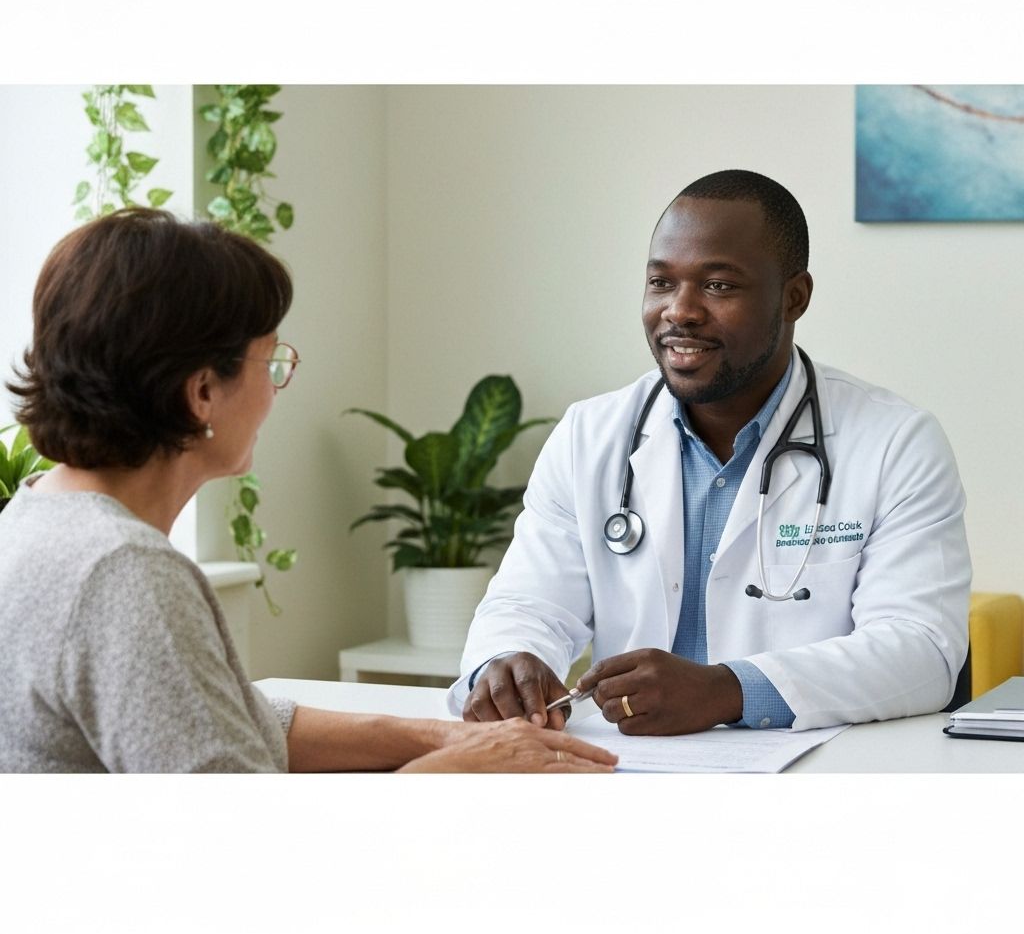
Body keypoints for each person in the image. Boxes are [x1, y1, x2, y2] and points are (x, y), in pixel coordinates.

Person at [0, 208, 616, 774]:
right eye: (270, 363)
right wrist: (460, 772)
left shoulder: (36, 518)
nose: (276, 390)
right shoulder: (125, 574)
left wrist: (445, 738)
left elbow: (234, 720)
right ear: (202, 394)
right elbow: (248, 854)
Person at [449, 169, 971, 735]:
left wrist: (728, 690)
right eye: (661, 283)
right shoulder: (589, 435)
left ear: (794, 297)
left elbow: (922, 652)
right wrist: (507, 661)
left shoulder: (895, 442)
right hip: (630, 766)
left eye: (719, 285)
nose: (681, 311)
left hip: (811, 775)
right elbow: (529, 604)